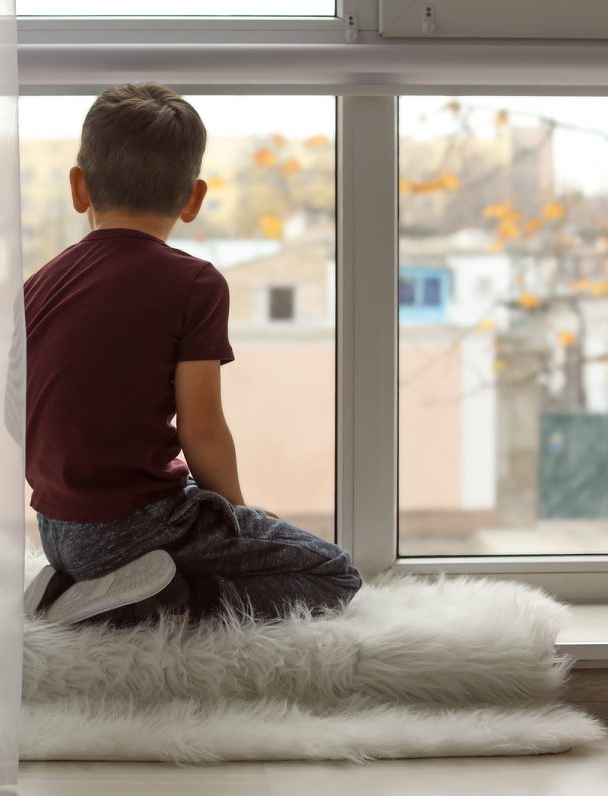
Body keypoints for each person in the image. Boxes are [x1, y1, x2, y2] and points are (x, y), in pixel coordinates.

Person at [22, 83, 361, 626]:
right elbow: (201, 426)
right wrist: (236, 514)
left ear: (79, 187)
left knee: (214, 525)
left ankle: (78, 585)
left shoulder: (37, 285)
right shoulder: (194, 284)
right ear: (193, 198)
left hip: (56, 531)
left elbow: (20, 412)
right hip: (135, 528)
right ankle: (160, 604)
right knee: (335, 574)